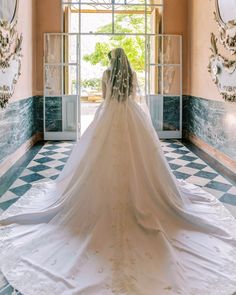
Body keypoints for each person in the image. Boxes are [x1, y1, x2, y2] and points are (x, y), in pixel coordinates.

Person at [0, 48, 235, 295]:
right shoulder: (132, 74)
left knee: (97, 159)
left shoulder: (106, 73)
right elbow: (133, 95)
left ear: (112, 60)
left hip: (109, 115)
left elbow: (105, 97)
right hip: (132, 116)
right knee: (141, 161)